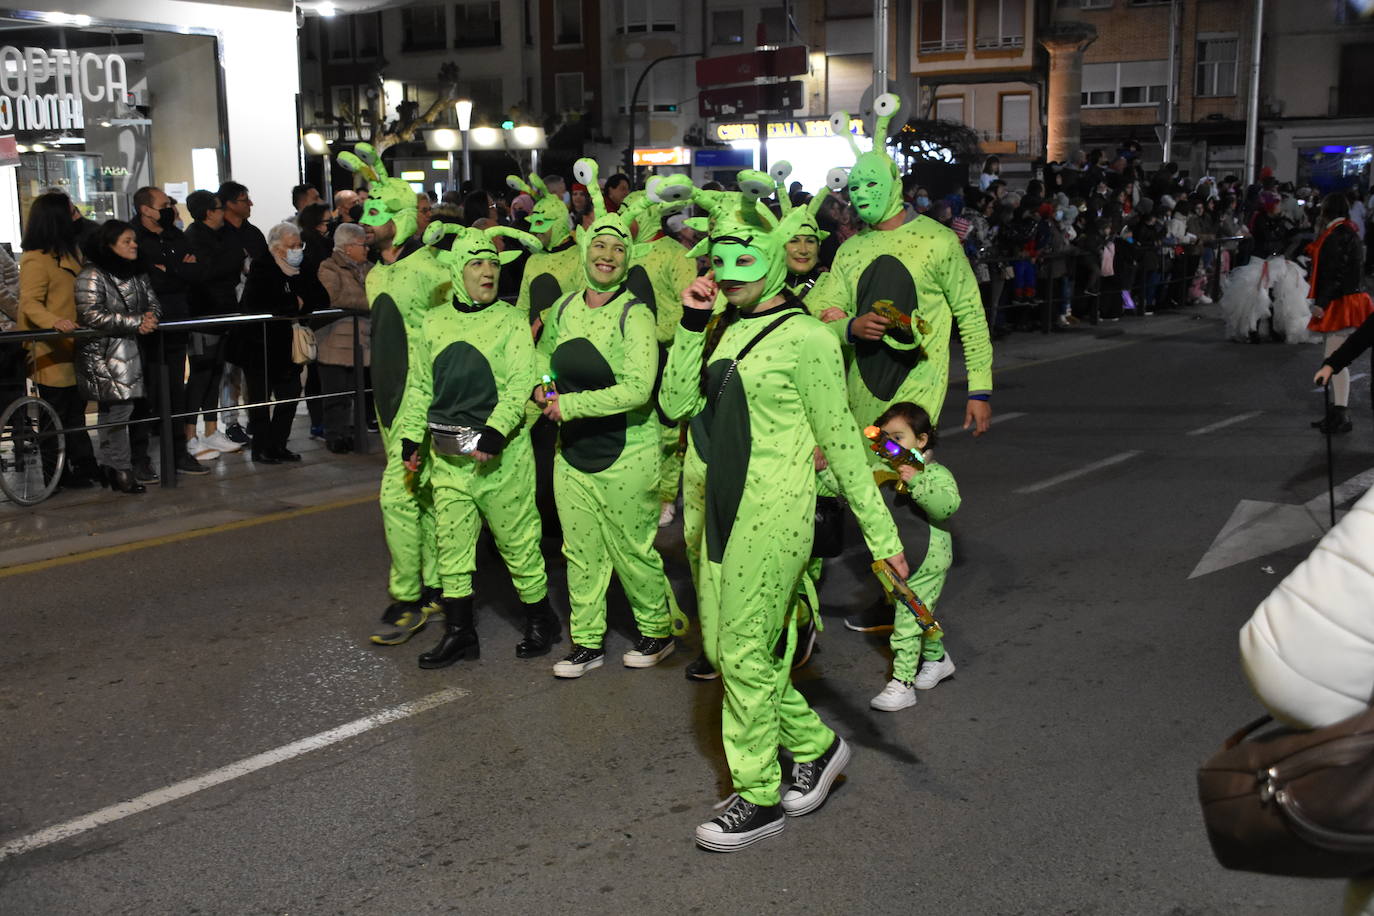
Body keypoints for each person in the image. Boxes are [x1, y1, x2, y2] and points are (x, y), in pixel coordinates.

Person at [659, 184, 907, 852]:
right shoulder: (722, 327)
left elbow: (847, 443)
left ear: (768, 258)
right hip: (717, 510)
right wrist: (688, 325)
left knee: (741, 651)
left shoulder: (808, 340)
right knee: (730, 652)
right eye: (719, 262)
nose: (728, 275)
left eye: (743, 261)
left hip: (774, 512)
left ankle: (757, 794)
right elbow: (677, 403)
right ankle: (816, 744)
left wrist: (883, 542)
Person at [535, 159, 678, 679]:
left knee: (631, 550)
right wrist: (543, 389)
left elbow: (639, 391)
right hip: (570, 454)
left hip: (628, 452)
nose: (607, 255)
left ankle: (656, 630)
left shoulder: (634, 313)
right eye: (600, 245)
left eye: (619, 249)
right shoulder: (567, 307)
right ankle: (587, 643)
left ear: (628, 258)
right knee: (580, 552)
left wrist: (566, 405)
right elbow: (543, 358)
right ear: (586, 249)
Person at [396, 222, 556, 667]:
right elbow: (420, 386)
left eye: (493, 263)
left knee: (517, 543)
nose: (488, 272)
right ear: (456, 269)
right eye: (476, 264)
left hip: (499, 459)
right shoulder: (433, 321)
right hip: (448, 457)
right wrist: (411, 436)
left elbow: (521, 381)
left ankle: (542, 620)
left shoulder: (508, 320)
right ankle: (461, 633)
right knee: (453, 547)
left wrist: (497, 430)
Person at [336, 144, 449, 647]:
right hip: (388, 398)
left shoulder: (434, 270)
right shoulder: (378, 272)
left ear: (404, 219)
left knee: (397, 496)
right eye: (366, 211)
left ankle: (407, 597)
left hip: (421, 402)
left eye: (379, 213)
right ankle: (438, 588)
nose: (367, 220)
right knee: (420, 495)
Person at [865, 402, 960, 711]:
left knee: (906, 621)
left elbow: (946, 506)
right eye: (886, 439)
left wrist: (917, 480)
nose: (892, 445)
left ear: (921, 440)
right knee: (917, 614)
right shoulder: (884, 474)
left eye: (899, 437)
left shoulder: (935, 473)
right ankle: (937, 658)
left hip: (929, 559)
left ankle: (902, 684)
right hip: (899, 563)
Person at [17, 191, 99, 487]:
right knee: (57, 414)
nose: (76, 215)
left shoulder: (67, 252)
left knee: (73, 412)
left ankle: (83, 465)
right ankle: (58, 474)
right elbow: (30, 303)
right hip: (50, 348)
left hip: (71, 344)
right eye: (70, 211)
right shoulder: (36, 260)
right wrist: (56, 323)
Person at [74, 220, 161, 494]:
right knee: (118, 411)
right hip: (104, 353)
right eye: (126, 241)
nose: (134, 244)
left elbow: (153, 301)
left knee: (122, 410)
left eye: (134, 239)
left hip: (132, 351)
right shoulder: (92, 274)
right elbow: (90, 314)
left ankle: (115, 467)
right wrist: (137, 322)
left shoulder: (135, 272)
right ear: (109, 245)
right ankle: (120, 469)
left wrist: (150, 318)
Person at [130, 185, 208, 477]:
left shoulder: (176, 235)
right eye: (163, 204)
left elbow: (196, 273)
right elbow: (148, 281)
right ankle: (139, 458)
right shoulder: (133, 237)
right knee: (144, 394)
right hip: (145, 325)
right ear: (146, 209)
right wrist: (177, 271)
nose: (169, 208)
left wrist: (170, 270)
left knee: (175, 391)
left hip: (176, 321)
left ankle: (178, 452)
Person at [231, 222, 311, 463]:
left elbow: (317, 295)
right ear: (277, 248)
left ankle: (278, 443)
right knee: (260, 399)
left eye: (299, 245)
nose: (297, 250)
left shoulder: (300, 269)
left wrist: (299, 303)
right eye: (292, 246)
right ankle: (262, 447)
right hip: (260, 345)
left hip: (287, 346)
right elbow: (257, 304)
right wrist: (293, 304)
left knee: (290, 394)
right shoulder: (263, 267)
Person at [182, 190, 245, 457]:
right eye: (219, 208)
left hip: (222, 314)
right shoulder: (194, 237)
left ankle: (210, 431)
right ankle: (189, 436)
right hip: (203, 317)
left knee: (216, 373)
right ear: (209, 212)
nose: (223, 213)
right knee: (200, 376)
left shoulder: (221, 236)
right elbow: (203, 273)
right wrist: (230, 261)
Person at [1307, 192, 1374, 434]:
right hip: (1350, 298)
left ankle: (1340, 413)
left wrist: (1322, 302)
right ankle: (1338, 412)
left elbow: (1335, 273)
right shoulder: (1349, 232)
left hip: (1342, 302)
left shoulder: (1337, 235)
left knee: (1335, 357)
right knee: (1335, 355)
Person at [314, 222, 371, 453]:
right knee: (336, 393)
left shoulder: (369, 267)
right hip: (335, 340)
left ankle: (355, 433)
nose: (366, 248)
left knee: (359, 393)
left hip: (363, 340)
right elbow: (333, 297)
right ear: (347, 247)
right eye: (362, 244)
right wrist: (368, 301)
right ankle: (335, 435)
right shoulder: (329, 267)